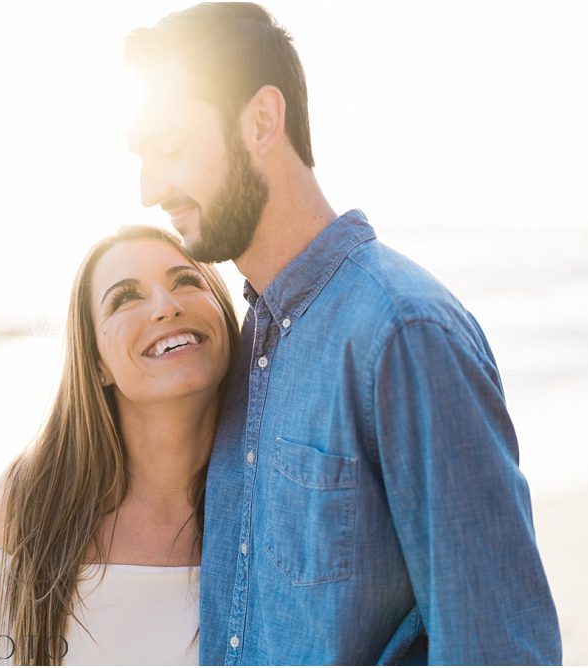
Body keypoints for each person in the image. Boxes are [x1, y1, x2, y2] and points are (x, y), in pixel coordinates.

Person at [124, 4, 563, 664]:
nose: (149, 187)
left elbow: (496, 646)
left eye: (172, 148)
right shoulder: (246, 347)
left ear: (262, 122)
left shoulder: (403, 333)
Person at [0, 225, 240, 665]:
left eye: (186, 281)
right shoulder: (36, 499)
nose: (167, 307)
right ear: (97, 364)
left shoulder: (273, 500)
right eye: (126, 298)